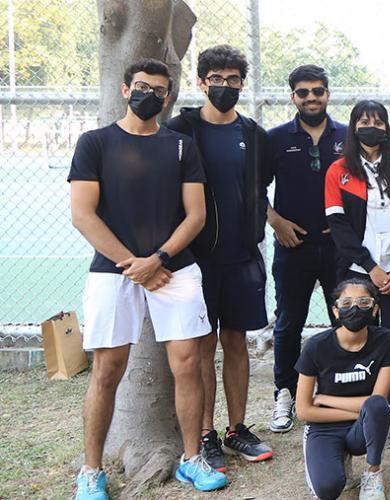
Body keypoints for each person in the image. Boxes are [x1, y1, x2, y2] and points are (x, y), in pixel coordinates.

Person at [70, 58, 228, 498]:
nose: (149, 96)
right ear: (125, 90)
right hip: (114, 272)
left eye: (159, 90)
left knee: (188, 364)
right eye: (141, 87)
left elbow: (195, 215)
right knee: (106, 370)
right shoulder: (95, 143)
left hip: (174, 269)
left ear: (169, 96)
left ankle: (191, 459)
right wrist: (135, 267)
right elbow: (83, 215)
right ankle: (91, 471)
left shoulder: (181, 146)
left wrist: (158, 259)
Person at [164, 44, 274, 471]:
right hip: (195, 261)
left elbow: (258, 189)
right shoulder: (181, 130)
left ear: (242, 84)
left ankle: (237, 428)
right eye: (216, 79)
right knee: (203, 344)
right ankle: (206, 432)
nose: (224, 87)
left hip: (243, 257)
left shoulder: (253, 134)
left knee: (236, 342)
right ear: (200, 81)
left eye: (232, 80)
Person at [324, 100, 390, 461]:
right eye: (364, 121)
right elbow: (339, 227)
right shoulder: (339, 171)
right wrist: (371, 268)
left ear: (387, 127)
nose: (372, 127)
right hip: (358, 275)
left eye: (378, 121)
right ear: (353, 127)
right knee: (357, 344)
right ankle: (355, 418)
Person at [265, 64, 346, 434]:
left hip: (338, 247)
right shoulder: (277, 138)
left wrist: (348, 226)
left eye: (318, 91)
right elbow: (254, 190)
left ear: (328, 93)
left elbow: (366, 186)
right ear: (293, 96)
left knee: (345, 320)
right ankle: (286, 392)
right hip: (292, 245)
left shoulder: (348, 136)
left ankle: (341, 388)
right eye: (303, 92)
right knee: (288, 323)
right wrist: (276, 221)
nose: (311, 98)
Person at [296, 279, 390, 500]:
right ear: (335, 310)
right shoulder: (316, 346)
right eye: (346, 303)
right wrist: (359, 413)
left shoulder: (386, 340)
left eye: (363, 302)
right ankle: (338, 458)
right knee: (327, 490)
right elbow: (304, 410)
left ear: (375, 309)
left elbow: (378, 400)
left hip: (361, 426)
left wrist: (325, 398)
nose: (354, 308)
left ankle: (373, 472)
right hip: (325, 426)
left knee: (378, 406)